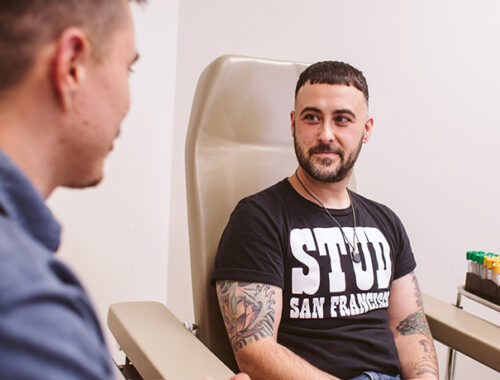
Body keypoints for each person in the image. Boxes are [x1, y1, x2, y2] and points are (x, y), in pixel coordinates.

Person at [211, 61, 439, 380]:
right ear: (293, 124)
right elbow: (257, 351)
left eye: (342, 119)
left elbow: (409, 330)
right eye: (311, 117)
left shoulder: (386, 222)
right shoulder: (258, 218)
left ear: (366, 129)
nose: (325, 134)